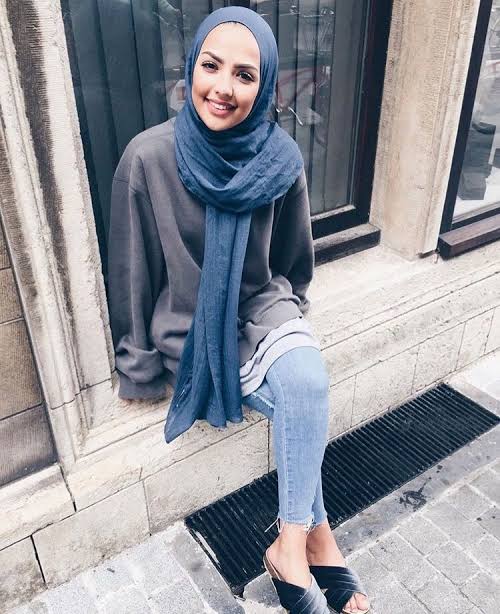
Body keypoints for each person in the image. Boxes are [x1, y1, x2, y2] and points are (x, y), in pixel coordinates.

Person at [107, 6, 370, 614]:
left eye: (245, 75)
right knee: (302, 416)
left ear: (265, 84)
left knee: (308, 381)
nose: (223, 87)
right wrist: (139, 368)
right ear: (191, 67)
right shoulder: (147, 158)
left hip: (261, 308)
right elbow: (131, 272)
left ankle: (290, 545)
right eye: (211, 66)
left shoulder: (281, 159)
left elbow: (293, 262)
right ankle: (316, 540)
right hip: (191, 324)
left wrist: (289, 320)